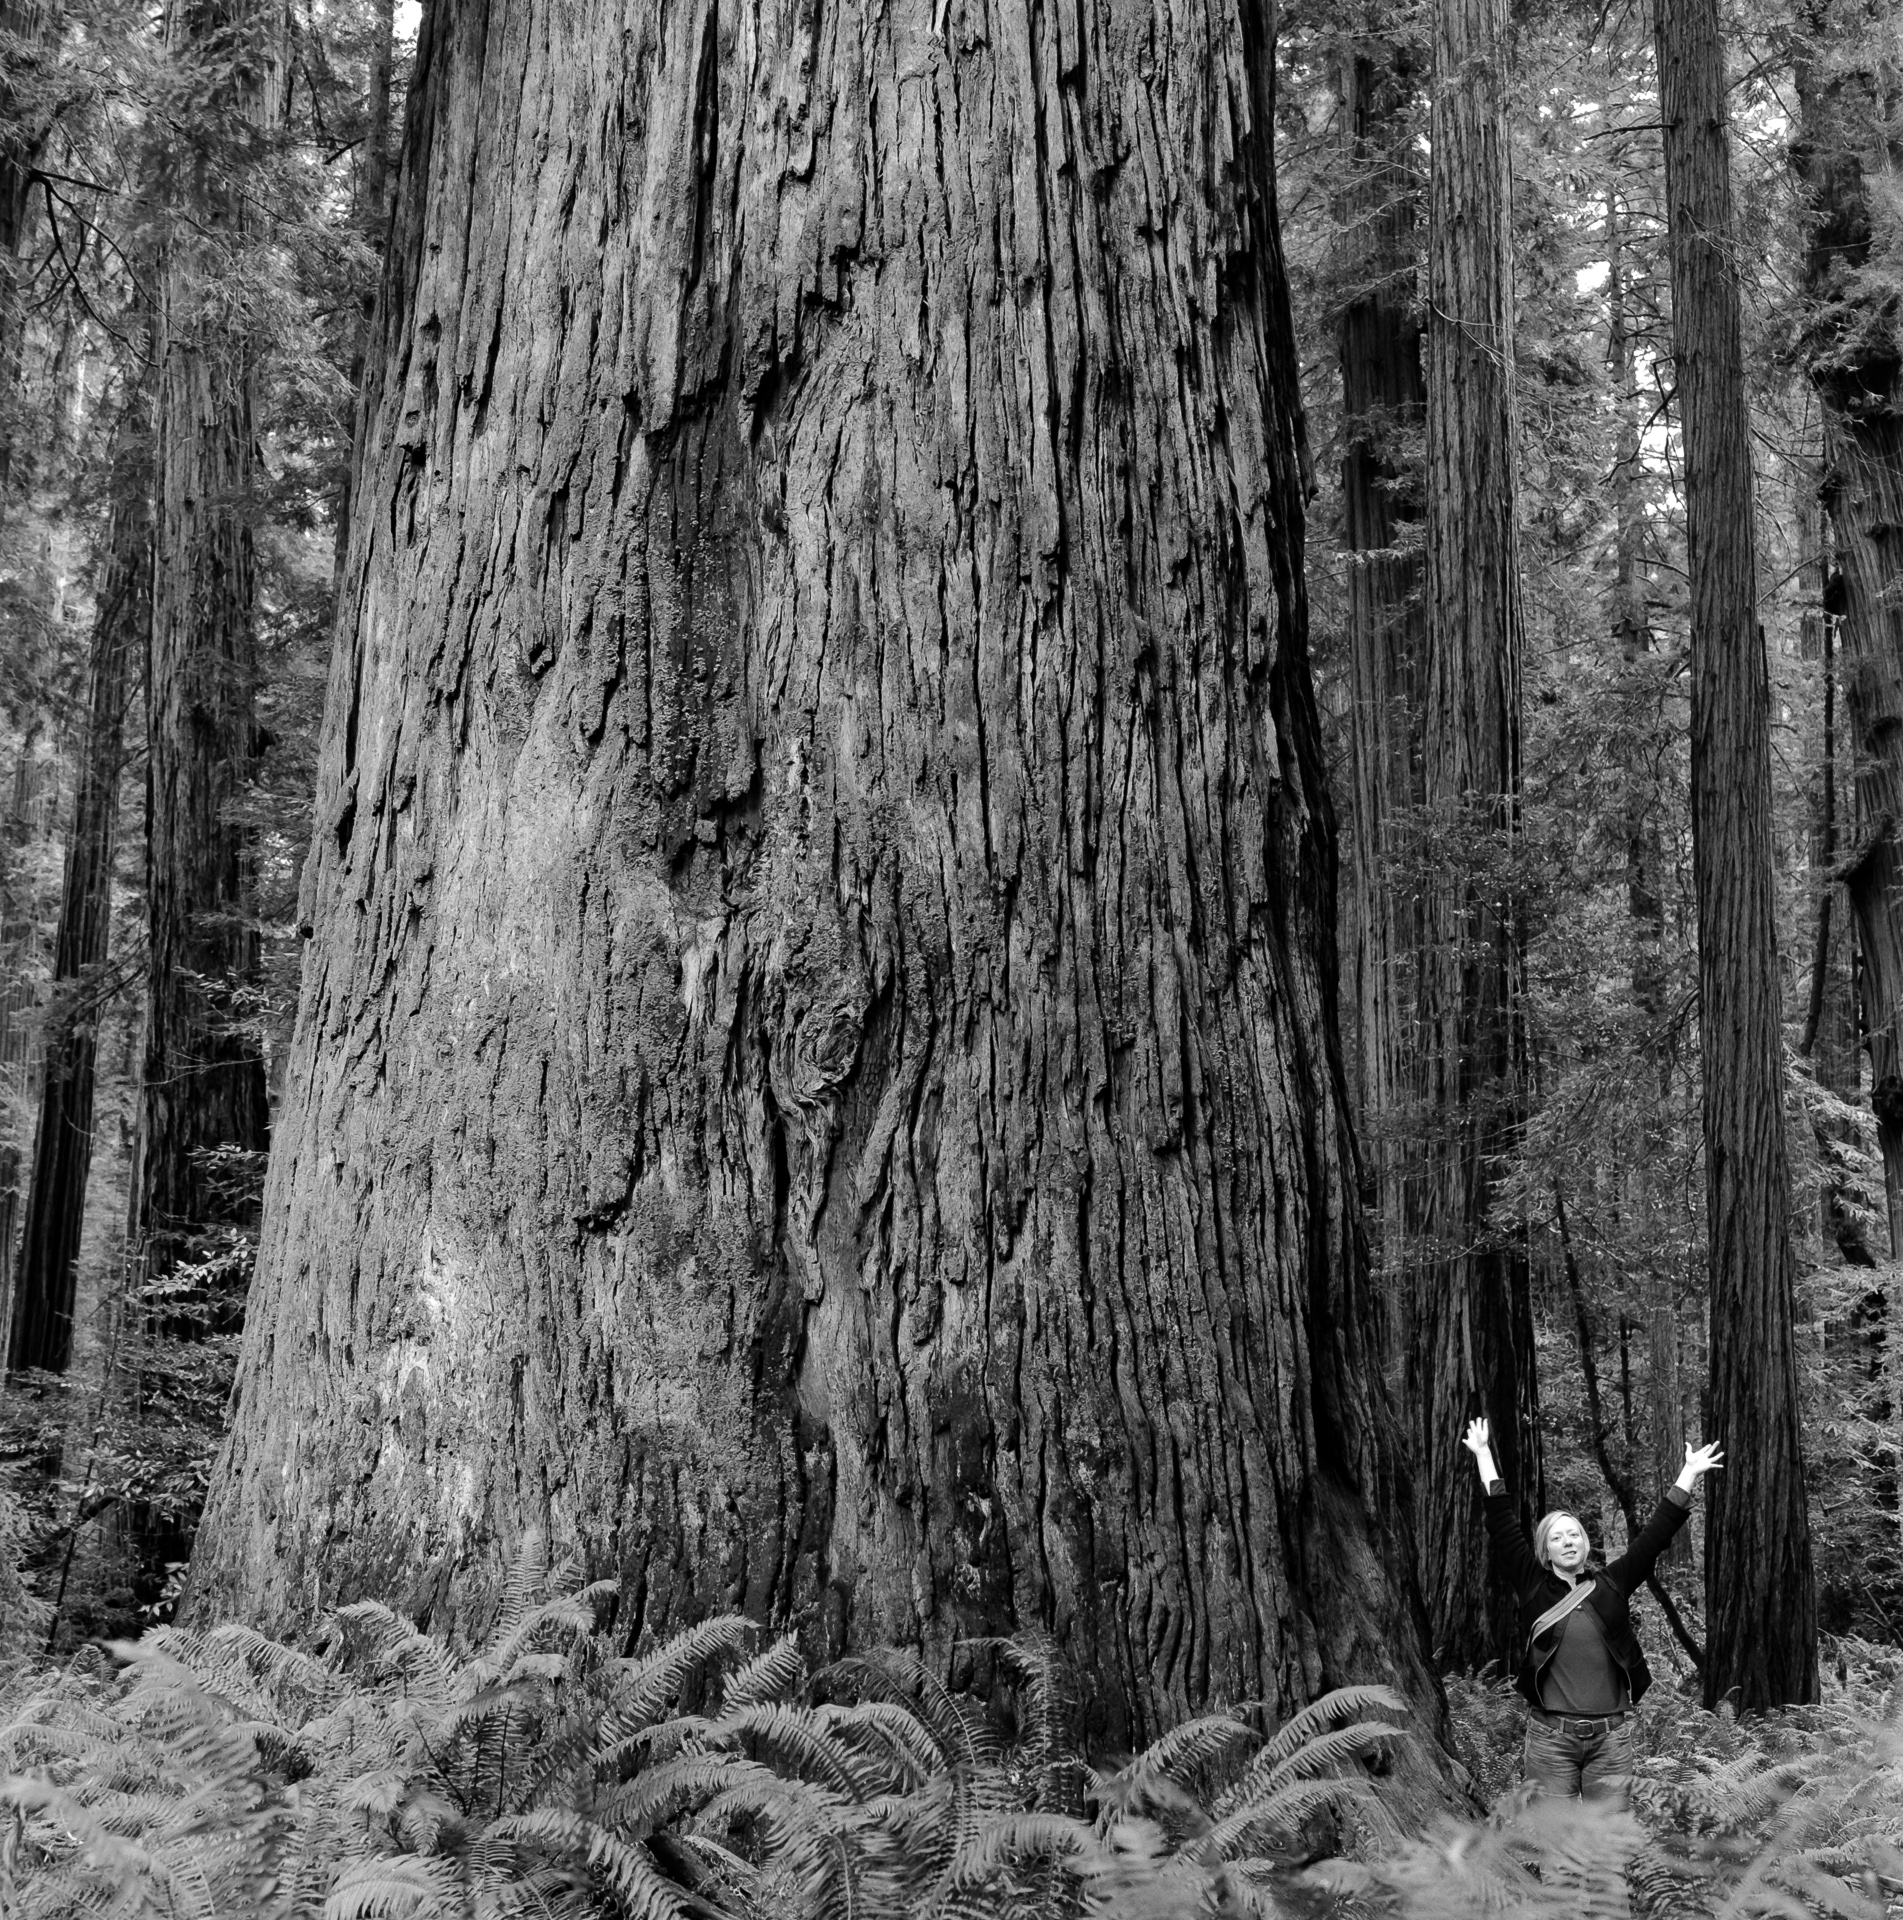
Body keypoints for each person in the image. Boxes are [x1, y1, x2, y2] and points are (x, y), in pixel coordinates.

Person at [1461, 1415, 1722, 1806]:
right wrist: (1483, 1454)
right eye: (1557, 1537)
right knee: (1557, 1838)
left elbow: (1655, 1536)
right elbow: (1501, 1523)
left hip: (1611, 1741)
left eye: (1574, 1534)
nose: (1568, 1541)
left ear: (1585, 1543)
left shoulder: (1612, 1584)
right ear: (1545, 1551)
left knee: (1608, 1840)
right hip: (1550, 1738)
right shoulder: (1533, 1587)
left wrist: (1689, 1473)